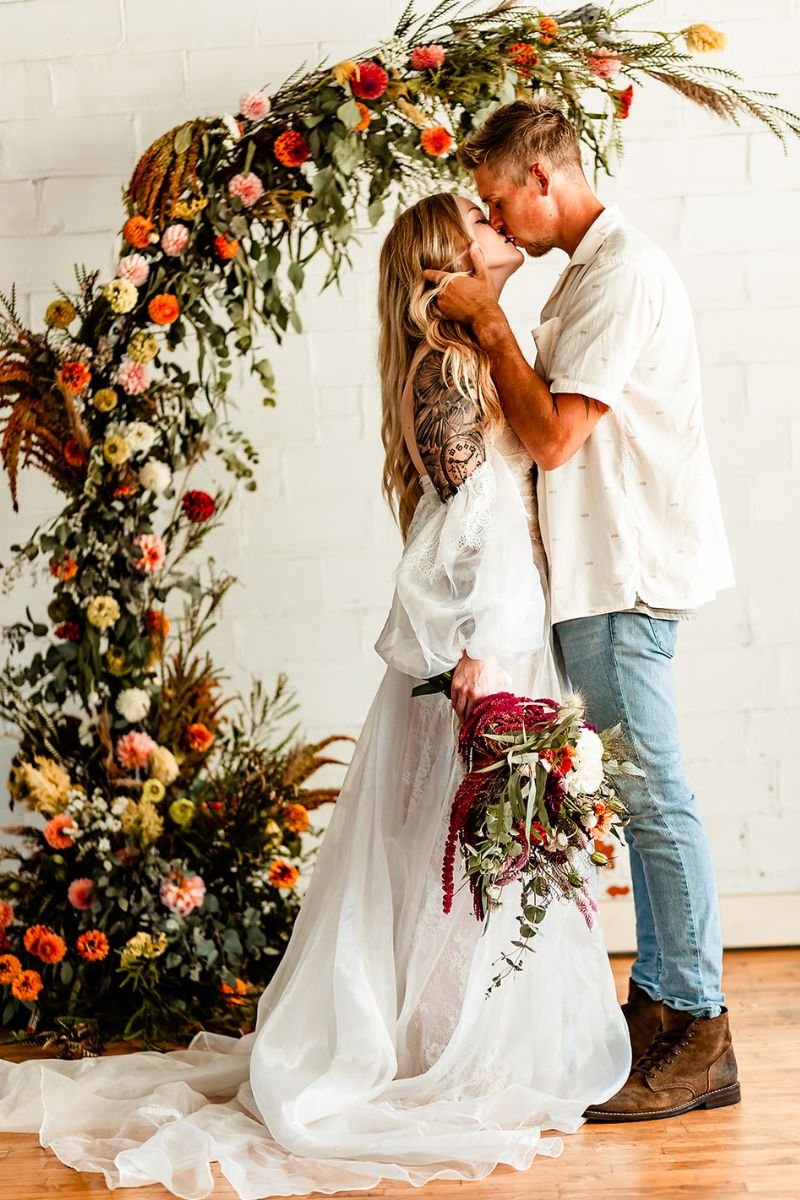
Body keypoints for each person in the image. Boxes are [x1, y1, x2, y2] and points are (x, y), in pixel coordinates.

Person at [0, 192, 630, 1197]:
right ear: (442, 261)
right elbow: (459, 528)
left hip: (510, 626)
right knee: (444, 848)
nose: (497, 231)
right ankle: (429, 1050)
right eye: (478, 221)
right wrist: (473, 651)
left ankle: (465, 1038)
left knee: (475, 849)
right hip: (476, 644)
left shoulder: (473, 361)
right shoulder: (447, 368)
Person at [425, 98, 740, 1122]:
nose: (492, 219)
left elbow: (556, 438)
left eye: (492, 200)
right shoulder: (588, 275)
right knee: (639, 797)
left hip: (625, 570)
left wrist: (487, 321)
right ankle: (657, 1006)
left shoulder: (623, 274)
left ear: (538, 181)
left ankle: (697, 1029)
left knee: (654, 798)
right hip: (595, 577)